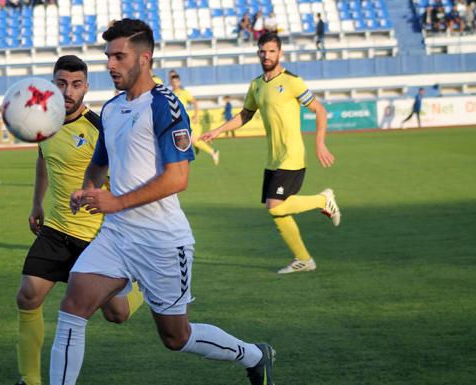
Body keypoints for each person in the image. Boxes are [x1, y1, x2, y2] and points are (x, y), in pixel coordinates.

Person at [49, 18, 276, 385]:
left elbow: (178, 178)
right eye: (108, 56)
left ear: (144, 58)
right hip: (117, 235)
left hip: (162, 242)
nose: (110, 65)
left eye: (119, 56)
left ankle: (254, 355)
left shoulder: (165, 106)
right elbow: (99, 163)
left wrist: (116, 202)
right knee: (73, 306)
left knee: (176, 337)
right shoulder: (111, 109)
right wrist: (87, 188)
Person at [14, 55, 144, 385]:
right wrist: (36, 204)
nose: (68, 91)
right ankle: (29, 380)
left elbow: (127, 176)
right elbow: (43, 160)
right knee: (28, 295)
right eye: (61, 83)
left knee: (117, 314)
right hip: (57, 227)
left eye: (76, 84)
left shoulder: (100, 128)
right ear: (52, 84)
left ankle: (143, 285)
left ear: (86, 87)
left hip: (97, 236)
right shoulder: (43, 121)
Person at [201, 33, 341, 274]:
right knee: (278, 213)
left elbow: (320, 111)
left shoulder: (292, 81)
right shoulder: (256, 85)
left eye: (272, 51)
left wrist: (320, 143)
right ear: (258, 52)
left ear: (280, 54)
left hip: (292, 155)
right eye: (263, 51)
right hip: (273, 158)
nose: (267, 55)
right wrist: (218, 130)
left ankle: (323, 199)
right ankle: (304, 260)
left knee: (275, 206)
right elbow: (245, 115)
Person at [170, 72, 220, 165]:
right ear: (171, 83)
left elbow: (195, 102)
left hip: (185, 120)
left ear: (179, 82)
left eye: (176, 81)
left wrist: (196, 115)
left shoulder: (184, 93)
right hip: (176, 122)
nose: (175, 83)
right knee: (186, 141)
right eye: (173, 82)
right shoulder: (171, 94)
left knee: (192, 140)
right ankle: (208, 152)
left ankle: (212, 152)